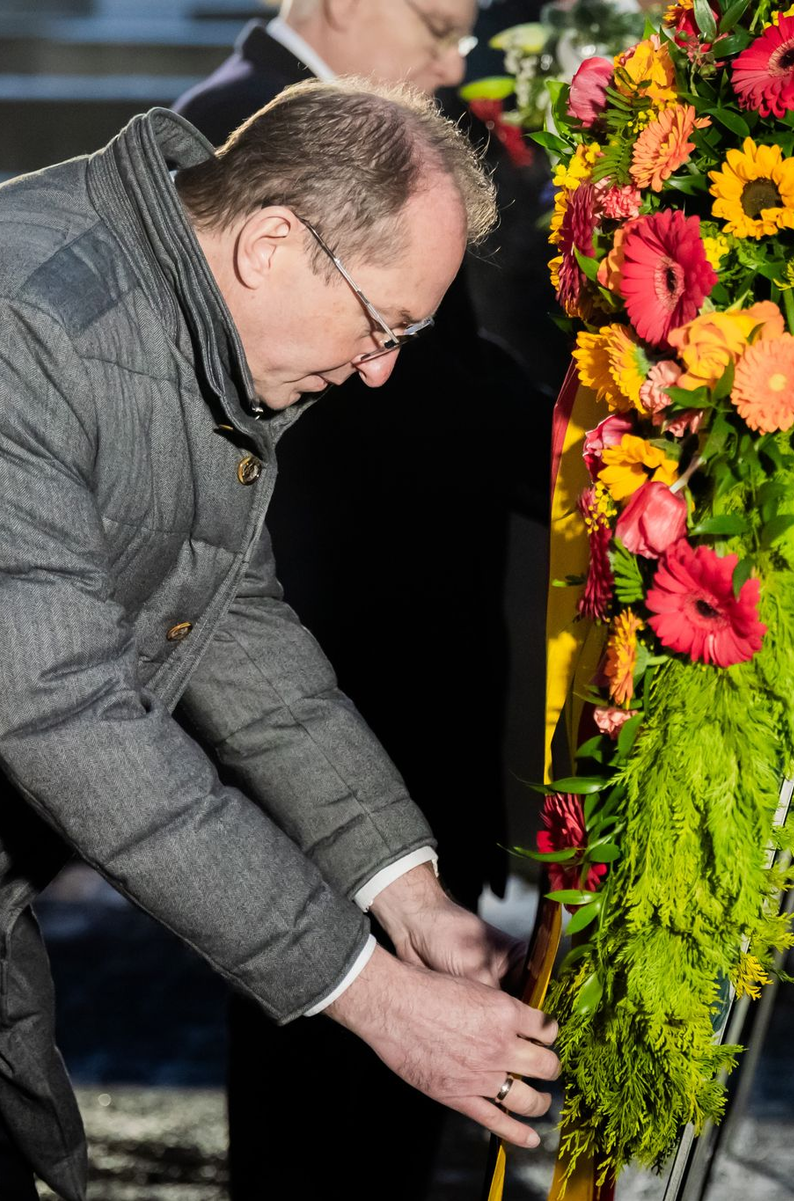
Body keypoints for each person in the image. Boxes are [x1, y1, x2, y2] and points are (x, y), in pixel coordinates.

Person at [0, 78, 557, 1201]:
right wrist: (369, 993)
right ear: (273, 244)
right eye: (383, 322)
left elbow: (237, 621)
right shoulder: (31, 322)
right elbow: (59, 710)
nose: (381, 367)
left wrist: (404, 891)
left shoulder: (188, 323)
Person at [176, 7, 557, 1196]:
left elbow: (238, 616)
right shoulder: (231, 145)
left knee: (375, 1122)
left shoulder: (355, 158)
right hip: (336, 679)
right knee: (320, 1117)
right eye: (441, 24)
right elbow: (420, 422)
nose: (460, 60)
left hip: (368, 695)